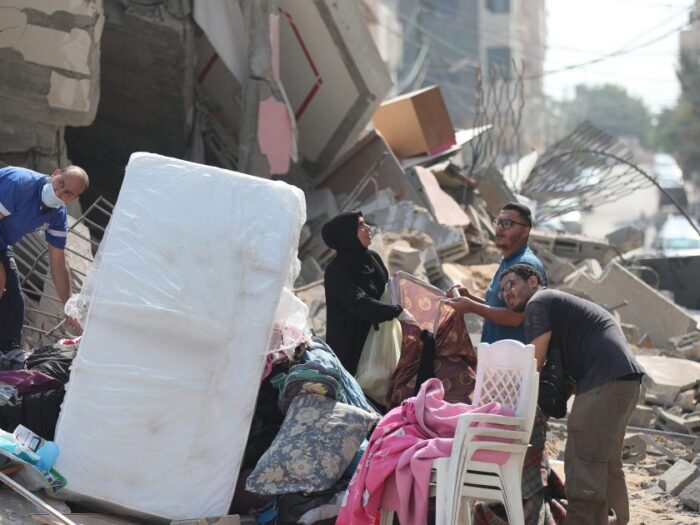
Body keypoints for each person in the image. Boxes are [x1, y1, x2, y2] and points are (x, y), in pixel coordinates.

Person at [499, 263, 644, 525]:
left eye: (511, 284)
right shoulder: (559, 306)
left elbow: (534, 363)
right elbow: (560, 379)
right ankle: (617, 521)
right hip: (626, 382)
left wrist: (514, 409)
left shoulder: (538, 303)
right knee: (607, 463)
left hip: (604, 382)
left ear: (533, 281)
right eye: (501, 290)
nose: (506, 293)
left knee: (582, 461)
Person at [0, 165, 89, 349]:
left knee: (15, 303)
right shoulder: (21, 184)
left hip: (2, 243)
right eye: (60, 182)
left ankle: (9, 359)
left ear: (73, 198)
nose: (58, 191)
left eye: (67, 192)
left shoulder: (58, 215)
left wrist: (69, 307)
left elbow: (58, 263)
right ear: (55, 173)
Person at [447, 202, 547, 343]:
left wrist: (472, 306)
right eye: (498, 222)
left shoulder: (525, 264)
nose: (500, 228)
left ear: (525, 231)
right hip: (496, 356)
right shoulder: (508, 261)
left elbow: (514, 318)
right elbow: (499, 308)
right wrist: (470, 297)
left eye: (507, 223)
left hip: (513, 359)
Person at [321, 211, 404, 375]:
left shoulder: (373, 258)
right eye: (360, 225)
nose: (368, 227)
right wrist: (395, 311)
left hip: (377, 340)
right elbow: (358, 303)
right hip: (352, 346)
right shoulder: (337, 270)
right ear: (347, 234)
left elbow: (386, 290)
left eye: (365, 223)